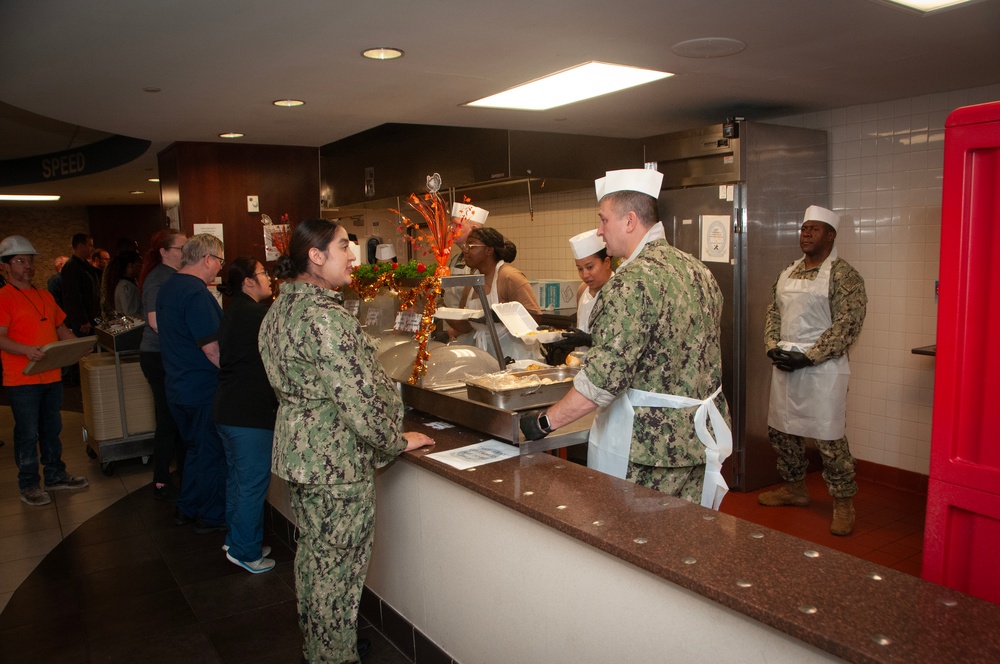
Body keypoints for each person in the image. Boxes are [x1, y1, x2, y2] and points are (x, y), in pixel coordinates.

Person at [259, 218, 434, 663]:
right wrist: (395, 440)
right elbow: (360, 402)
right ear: (315, 257)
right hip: (334, 464)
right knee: (338, 571)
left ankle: (318, 647)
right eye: (343, 247)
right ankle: (335, 657)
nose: (353, 256)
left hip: (300, 455)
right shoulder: (324, 319)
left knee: (315, 562)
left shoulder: (280, 309)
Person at [520, 169, 732, 509]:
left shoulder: (630, 282)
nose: (600, 231)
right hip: (699, 438)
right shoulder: (698, 270)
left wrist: (544, 422)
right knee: (690, 541)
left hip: (650, 449)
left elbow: (604, 380)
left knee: (638, 547)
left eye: (604, 220)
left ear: (630, 220)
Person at [759, 205, 868, 536]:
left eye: (814, 229)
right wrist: (772, 345)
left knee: (828, 436)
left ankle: (843, 503)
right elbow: (773, 311)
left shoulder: (844, 276)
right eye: (804, 228)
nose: (806, 234)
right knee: (782, 431)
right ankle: (795, 488)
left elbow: (849, 323)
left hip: (823, 370)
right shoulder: (788, 272)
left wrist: (811, 356)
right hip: (786, 363)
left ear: (830, 235)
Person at [0, 235, 89, 506]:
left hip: (51, 375)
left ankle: (55, 475)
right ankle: (29, 485)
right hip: (22, 378)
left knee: (52, 428)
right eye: (19, 261)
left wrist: (80, 345)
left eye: (29, 261)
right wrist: (26, 350)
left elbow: (61, 329)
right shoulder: (3, 298)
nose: (27, 266)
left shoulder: (45, 295)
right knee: (28, 433)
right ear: (5, 266)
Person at [157, 234, 227, 533]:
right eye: (219, 262)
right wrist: (234, 372)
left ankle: (187, 508)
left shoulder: (168, 286)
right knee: (211, 453)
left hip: (177, 386)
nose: (219, 270)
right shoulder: (196, 293)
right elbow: (211, 348)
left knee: (195, 452)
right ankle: (211, 516)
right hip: (201, 388)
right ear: (207, 258)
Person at [213, 257, 277, 573]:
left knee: (238, 480)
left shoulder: (235, 309)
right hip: (249, 414)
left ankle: (236, 540)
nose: (269, 278)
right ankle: (245, 551)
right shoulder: (257, 315)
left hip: (228, 410)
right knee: (251, 483)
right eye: (264, 273)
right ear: (248, 281)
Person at [138, 230, 187, 500]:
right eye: (181, 248)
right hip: (158, 356)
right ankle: (160, 479)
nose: (185, 253)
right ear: (165, 252)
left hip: (166, 355)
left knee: (175, 416)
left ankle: (179, 471)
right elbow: (156, 322)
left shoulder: (173, 277)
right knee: (167, 418)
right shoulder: (159, 278)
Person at [448, 226, 543, 362]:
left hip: (516, 357)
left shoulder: (509, 276)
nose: (465, 251)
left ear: (489, 250)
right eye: (465, 246)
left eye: (471, 246)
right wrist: (439, 310)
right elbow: (466, 326)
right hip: (486, 357)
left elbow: (535, 318)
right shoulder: (472, 281)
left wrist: (497, 317)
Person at [542, 229, 615, 364]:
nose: (585, 275)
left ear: (606, 262)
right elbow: (580, 329)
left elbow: (620, 341)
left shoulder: (617, 290)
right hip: (580, 365)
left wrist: (588, 339)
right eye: (580, 269)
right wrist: (554, 333)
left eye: (590, 267)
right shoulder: (582, 290)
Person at [442, 202, 489, 308]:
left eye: (457, 225)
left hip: (473, 322)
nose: (451, 229)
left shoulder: (485, 259)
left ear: (474, 229)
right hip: (452, 321)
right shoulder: (456, 259)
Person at [100, 249, 143, 317]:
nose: (141, 267)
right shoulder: (125, 286)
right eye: (139, 264)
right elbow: (130, 313)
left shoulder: (126, 284)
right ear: (130, 265)